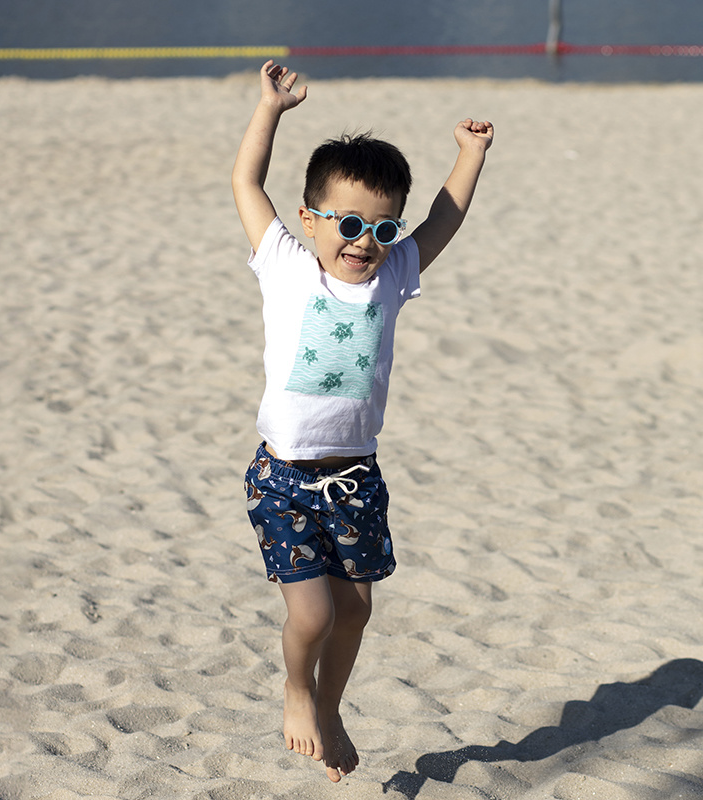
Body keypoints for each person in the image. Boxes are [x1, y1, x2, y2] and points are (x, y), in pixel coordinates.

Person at [232, 60, 493, 783]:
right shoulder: (285, 263)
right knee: (312, 616)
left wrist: (468, 157)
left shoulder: (394, 276)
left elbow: (444, 219)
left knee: (355, 613)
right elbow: (247, 186)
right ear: (312, 219)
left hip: (356, 478)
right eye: (347, 223)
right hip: (283, 477)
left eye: (380, 226)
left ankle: (331, 704)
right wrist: (271, 111)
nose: (362, 239)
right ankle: (295, 691)